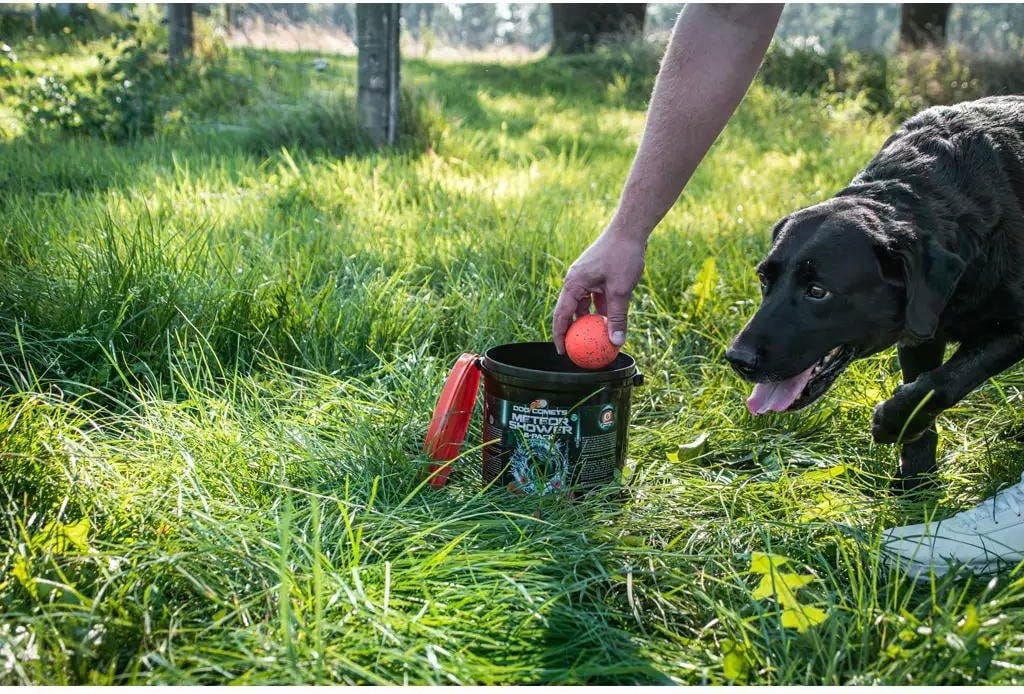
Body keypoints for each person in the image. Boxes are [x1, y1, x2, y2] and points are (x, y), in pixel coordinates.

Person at [550, 3, 1024, 582]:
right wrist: (627, 231)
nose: (744, 347)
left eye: (817, 292)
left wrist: (931, 394)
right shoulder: (900, 249)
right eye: (771, 281)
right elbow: (915, 315)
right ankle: (918, 473)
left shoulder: (976, 238)